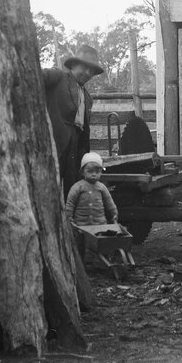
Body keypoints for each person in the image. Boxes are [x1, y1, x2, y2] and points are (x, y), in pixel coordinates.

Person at [43, 44, 104, 197]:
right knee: (50, 186)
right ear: (73, 65)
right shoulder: (58, 77)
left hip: (76, 146)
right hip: (54, 142)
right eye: (85, 68)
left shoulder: (87, 97)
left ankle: (72, 219)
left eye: (92, 71)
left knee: (74, 188)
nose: (88, 73)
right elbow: (34, 77)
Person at [65, 152, 119, 258]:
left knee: (102, 244)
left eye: (97, 172)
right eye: (90, 171)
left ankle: (101, 261)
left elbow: (109, 203)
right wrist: (69, 218)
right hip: (82, 225)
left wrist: (114, 214)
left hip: (100, 224)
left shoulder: (101, 187)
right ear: (82, 172)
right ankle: (83, 263)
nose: (93, 174)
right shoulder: (77, 187)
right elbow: (70, 203)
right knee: (81, 246)